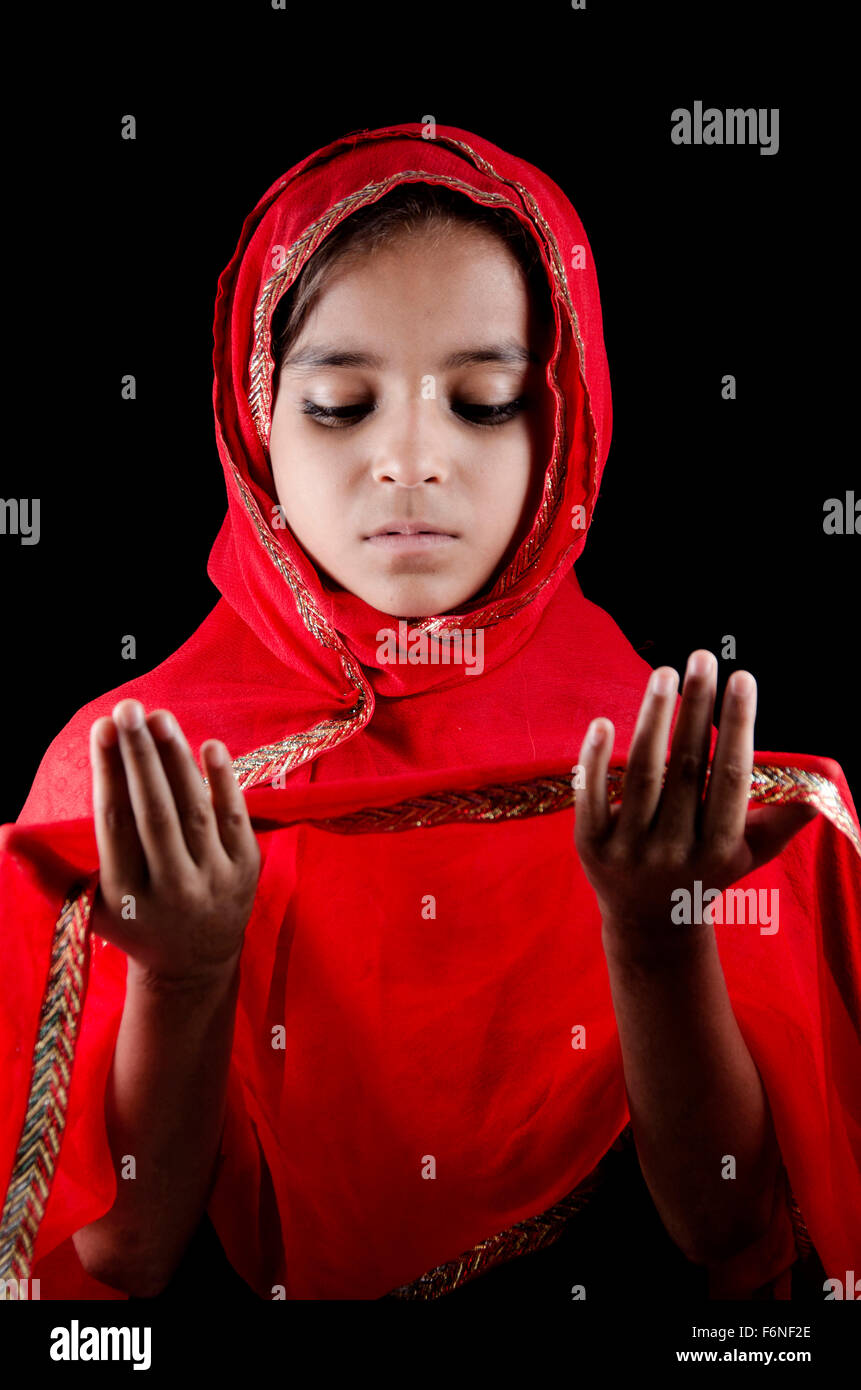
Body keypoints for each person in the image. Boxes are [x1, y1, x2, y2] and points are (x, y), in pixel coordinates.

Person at [1, 122, 859, 1304]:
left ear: (563, 422)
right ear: (254, 422)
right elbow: (119, 1263)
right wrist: (186, 976)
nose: (411, 458)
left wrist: (657, 934)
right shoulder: (136, 772)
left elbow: (733, 1234)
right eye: (343, 405)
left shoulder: (668, 771)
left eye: (486, 399)